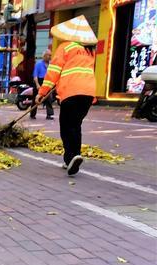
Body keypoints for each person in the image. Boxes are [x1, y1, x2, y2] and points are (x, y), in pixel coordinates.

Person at [37, 15, 97, 176]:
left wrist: (42, 93)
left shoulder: (66, 47)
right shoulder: (89, 51)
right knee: (75, 125)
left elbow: (53, 72)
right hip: (88, 93)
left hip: (71, 92)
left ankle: (70, 157)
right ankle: (74, 156)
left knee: (66, 126)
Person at [31, 49, 54, 120]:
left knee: (49, 98)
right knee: (35, 99)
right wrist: (37, 84)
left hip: (47, 82)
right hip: (39, 81)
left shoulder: (51, 65)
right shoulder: (38, 64)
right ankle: (32, 114)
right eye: (48, 55)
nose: (50, 57)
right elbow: (35, 75)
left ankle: (49, 115)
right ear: (44, 56)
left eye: (50, 55)